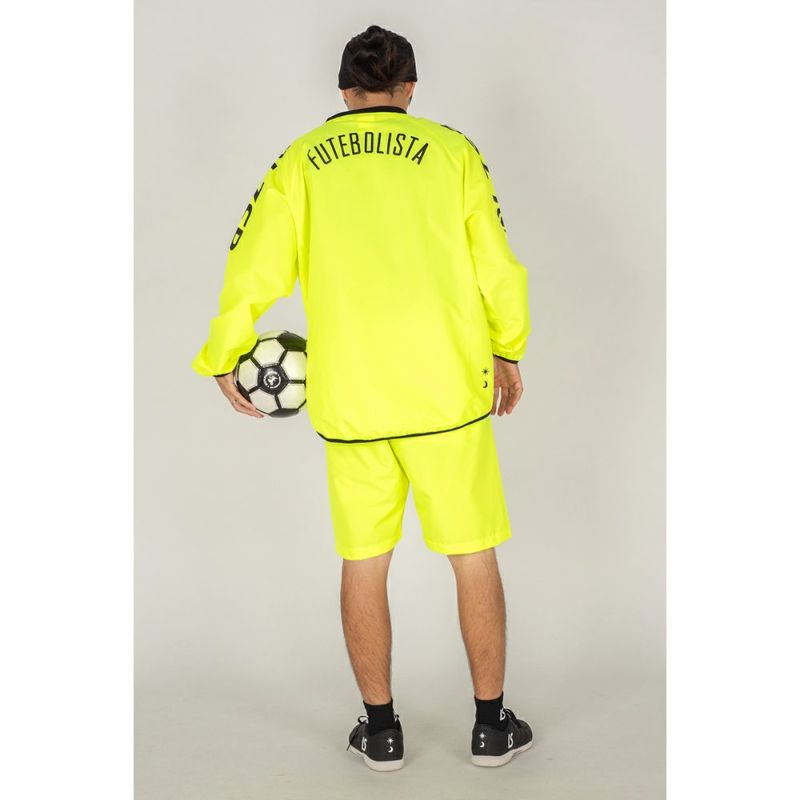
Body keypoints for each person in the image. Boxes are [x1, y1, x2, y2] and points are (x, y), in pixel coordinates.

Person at [191, 24, 533, 771]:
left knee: (364, 562)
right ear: (409, 88)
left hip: (354, 399)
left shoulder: (301, 160)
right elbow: (498, 266)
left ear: (345, 91)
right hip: (448, 394)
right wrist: (508, 346)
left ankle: (380, 731)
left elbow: (251, 267)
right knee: (472, 554)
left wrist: (222, 354)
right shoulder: (453, 151)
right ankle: (490, 726)